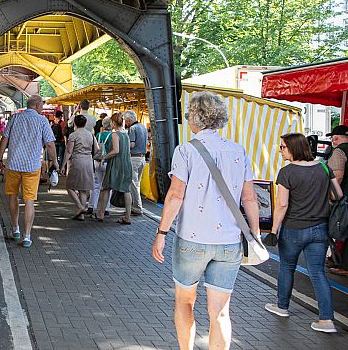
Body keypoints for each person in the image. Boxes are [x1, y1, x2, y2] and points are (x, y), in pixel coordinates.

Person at [151, 91, 260, 350]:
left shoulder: (186, 150)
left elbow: (176, 195)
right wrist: (254, 234)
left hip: (192, 238)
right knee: (220, 312)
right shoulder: (238, 151)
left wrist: (162, 232)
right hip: (229, 242)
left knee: (184, 301)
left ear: (195, 119)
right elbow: (250, 198)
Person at [264, 133, 342, 333]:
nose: (280, 150)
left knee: (287, 267)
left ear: (293, 148)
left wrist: (273, 230)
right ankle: (326, 320)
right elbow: (338, 195)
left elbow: (282, 204)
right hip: (320, 229)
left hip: (293, 229)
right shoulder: (323, 167)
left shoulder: (287, 172)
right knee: (317, 273)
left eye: (282, 147)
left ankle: (282, 307)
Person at [0, 95, 59, 248]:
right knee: (29, 200)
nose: (43, 107)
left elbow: (5, 138)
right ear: (37, 105)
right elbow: (50, 145)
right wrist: (55, 162)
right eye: (42, 105)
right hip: (31, 166)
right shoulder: (42, 120)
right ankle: (27, 236)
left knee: (12, 196)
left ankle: (15, 228)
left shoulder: (15, 118)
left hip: (13, 164)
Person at [94, 113, 133, 223]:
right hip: (126, 164)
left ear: (114, 123)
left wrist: (104, 157)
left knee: (106, 188)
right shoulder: (125, 134)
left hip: (116, 164)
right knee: (126, 190)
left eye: (111, 122)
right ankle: (127, 216)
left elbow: (116, 150)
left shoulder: (115, 134)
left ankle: (100, 214)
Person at [63, 115, 99, 220]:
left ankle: (80, 207)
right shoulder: (90, 135)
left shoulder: (73, 135)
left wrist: (63, 164)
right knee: (83, 189)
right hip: (88, 161)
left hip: (78, 160)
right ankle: (81, 215)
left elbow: (69, 151)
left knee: (69, 186)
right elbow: (97, 149)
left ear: (75, 123)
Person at [326, 125, 348, 276]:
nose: (333, 140)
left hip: (345, 198)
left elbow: (337, 176)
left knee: (343, 230)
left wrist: (332, 198)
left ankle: (344, 266)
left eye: (334, 137)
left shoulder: (340, 151)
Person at [124, 110, 148, 216]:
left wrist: (123, 145)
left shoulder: (132, 128)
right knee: (136, 183)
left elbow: (132, 144)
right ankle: (135, 206)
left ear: (129, 120)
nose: (125, 122)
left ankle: (137, 208)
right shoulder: (142, 127)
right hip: (142, 158)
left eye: (126, 120)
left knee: (133, 185)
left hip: (134, 158)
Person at [90, 117, 112, 216]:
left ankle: (91, 206)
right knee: (107, 187)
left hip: (97, 161)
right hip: (107, 162)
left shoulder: (98, 135)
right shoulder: (112, 136)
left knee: (95, 185)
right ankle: (106, 208)